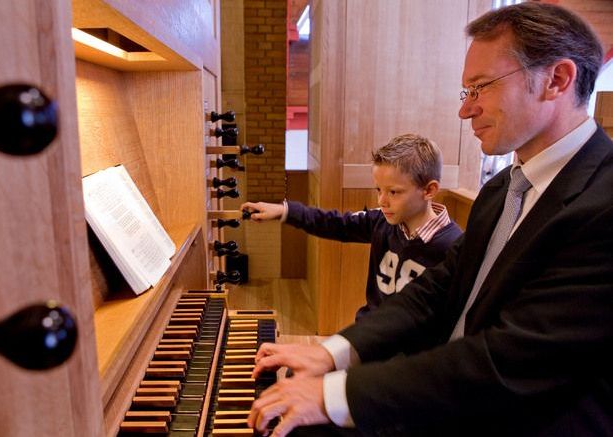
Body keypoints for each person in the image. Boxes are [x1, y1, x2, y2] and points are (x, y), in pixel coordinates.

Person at [247, 3, 613, 436]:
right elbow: (438, 289)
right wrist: (335, 352)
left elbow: (510, 361)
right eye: (467, 92)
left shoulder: (604, 205)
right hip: (452, 396)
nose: (465, 110)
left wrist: (334, 394)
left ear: (557, 80)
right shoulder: (503, 191)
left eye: (482, 87)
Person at [241, 134, 463, 320]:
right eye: (379, 190)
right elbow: (336, 223)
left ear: (429, 190)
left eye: (393, 192)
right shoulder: (381, 221)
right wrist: (285, 211)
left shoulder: (452, 246)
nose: (381, 201)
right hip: (368, 338)